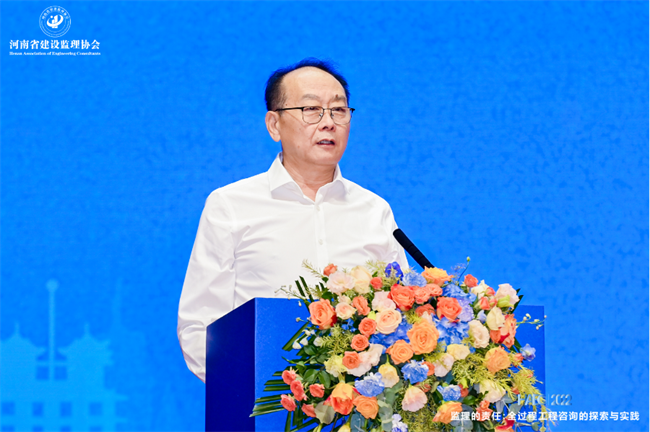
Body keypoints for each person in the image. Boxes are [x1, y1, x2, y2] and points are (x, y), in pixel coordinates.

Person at [177, 58, 408, 381]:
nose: (328, 123)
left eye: (339, 110)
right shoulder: (231, 206)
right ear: (274, 125)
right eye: (311, 110)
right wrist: (248, 392)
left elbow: (402, 315)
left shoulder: (373, 210)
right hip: (264, 402)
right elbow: (199, 325)